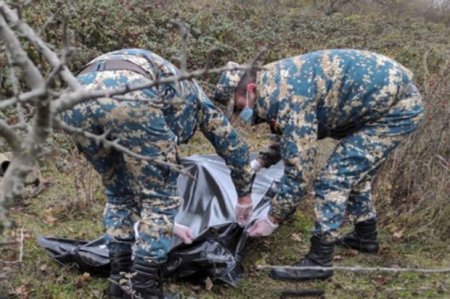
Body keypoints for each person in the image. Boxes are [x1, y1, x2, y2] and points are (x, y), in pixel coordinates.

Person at [212, 49, 424, 281]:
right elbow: (288, 133)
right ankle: (366, 237)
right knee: (355, 174)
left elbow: (299, 170)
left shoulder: (287, 94)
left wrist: (273, 219)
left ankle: (319, 261)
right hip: (380, 104)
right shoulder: (272, 82)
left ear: (250, 90)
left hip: (396, 111)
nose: (240, 112)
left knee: (334, 179)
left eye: (238, 105)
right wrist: (261, 161)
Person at [62, 48, 255, 298]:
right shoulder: (197, 100)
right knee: (160, 198)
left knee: (118, 194)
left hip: (74, 94)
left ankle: (119, 285)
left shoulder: (173, 85)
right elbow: (235, 148)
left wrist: (168, 225)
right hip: (130, 92)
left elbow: (134, 177)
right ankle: (144, 289)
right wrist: (244, 197)